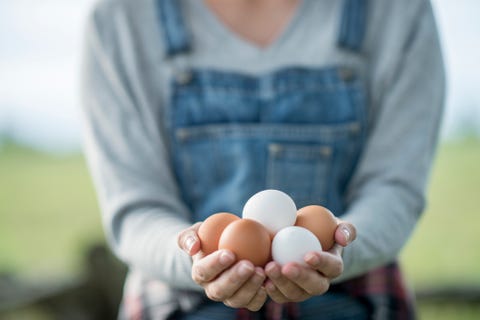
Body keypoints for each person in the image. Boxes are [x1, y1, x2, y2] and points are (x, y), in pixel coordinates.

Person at [80, 0, 445, 319]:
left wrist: (340, 246)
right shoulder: (122, 18)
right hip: (180, 306)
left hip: (354, 301)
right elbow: (137, 208)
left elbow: (393, 186)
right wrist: (195, 255)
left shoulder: (396, 10)